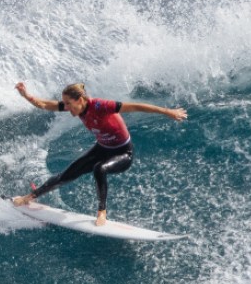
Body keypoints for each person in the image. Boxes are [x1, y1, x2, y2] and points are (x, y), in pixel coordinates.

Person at [10, 81, 187, 226]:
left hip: (123, 153)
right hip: (102, 149)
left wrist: (168, 112)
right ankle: (29, 197)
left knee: (99, 169)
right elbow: (44, 104)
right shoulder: (77, 106)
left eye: (70, 105)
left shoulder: (100, 106)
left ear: (80, 100)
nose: (68, 109)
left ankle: (102, 211)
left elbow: (135, 107)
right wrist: (26, 95)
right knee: (66, 175)